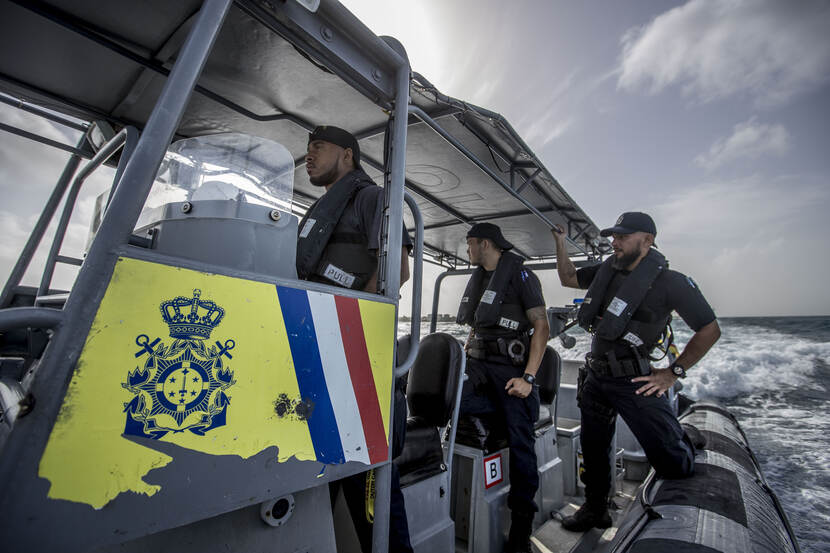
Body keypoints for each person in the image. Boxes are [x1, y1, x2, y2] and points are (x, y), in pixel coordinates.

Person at [551, 212, 721, 532]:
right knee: (594, 449)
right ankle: (595, 509)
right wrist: (559, 243)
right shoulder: (606, 271)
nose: (614, 242)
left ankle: (687, 436)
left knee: (675, 464)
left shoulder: (671, 282)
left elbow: (710, 330)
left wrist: (673, 372)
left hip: (635, 379)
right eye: (613, 236)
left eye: (622, 236)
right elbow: (567, 278)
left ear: (647, 240)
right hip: (597, 377)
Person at [295, 125, 413, 552]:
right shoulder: (320, 211)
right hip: (315, 355)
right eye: (307, 148)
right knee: (312, 480)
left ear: (347, 154)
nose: (308, 155)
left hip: (356, 359)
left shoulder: (370, 197)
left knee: (372, 494)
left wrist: (353, 322)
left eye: (317, 147)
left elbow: (396, 268)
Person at [456, 223, 550, 553]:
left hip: (512, 370)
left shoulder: (521, 277)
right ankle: (503, 411)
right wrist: (466, 353)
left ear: (485, 243)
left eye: (469, 243)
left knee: (522, 445)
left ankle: (521, 530)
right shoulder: (480, 279)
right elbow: (477, 327)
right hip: (479, 365)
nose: (466, 249)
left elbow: (542, 326)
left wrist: (528, 379)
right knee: (450, 398)